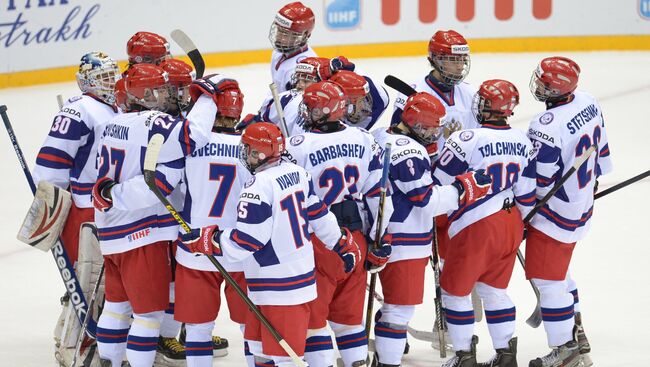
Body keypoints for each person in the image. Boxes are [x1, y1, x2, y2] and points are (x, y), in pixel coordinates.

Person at [181, 122, 362, 367]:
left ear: (258, 154)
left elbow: (248, 240)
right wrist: (341, 243)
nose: (244, 155)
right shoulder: (297, 173)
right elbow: (319, 214)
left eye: (247, 150)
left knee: (285, 359)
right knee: (261, 351)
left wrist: (209, 240)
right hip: (293, 280)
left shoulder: (257, 187)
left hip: (277, 287)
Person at [90, 66, 221, 367]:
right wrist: (207, 97)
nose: (166, 95)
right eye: (159, 90)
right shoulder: (151, 121)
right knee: (148, 315)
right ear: (144, 95)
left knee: (116, 306)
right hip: (140, 233)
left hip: (111, 232)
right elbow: (193, 135)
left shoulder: (114, 122)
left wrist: (110, 197)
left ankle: (109, 360)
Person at [371, 92, 492, 367]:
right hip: (406, 239)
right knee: (399, 309)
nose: (436, 133)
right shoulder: (411, 151)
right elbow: (426, 200)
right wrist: (464, 188)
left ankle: (386, 352)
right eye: (431, 127)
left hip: (380, 234)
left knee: (393, 304)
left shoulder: (380, 136)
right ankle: (387, 362)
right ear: (415, 123)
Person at [284, 81, 393, 366]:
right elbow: (379, 196)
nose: (305, 112)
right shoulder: (363, 138)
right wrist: (380, 239)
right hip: (355, 236)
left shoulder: (298, 144)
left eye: (311, 107)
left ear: (327, 110)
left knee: (314, 321)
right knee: (348, 319)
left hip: (318, 239)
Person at [432, 79, 537, 367]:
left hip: (475, 225)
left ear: (485, 106)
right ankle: (505, 355)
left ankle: (464, 355)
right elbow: (527, 194)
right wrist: (519, 227)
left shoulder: (467, 139)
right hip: (510, 221)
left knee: (454, 292)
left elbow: (438, 183)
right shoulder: (522, 140)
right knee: (494, 291)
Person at [32, 51, 120, 367]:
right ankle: (73, 346)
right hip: (84, 210)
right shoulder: (79, 111)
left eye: (113, 75)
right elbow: (51, 163)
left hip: (107, 207)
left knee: (103, 282)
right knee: (87, 281)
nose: (110, 82)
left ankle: (68, 332)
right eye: (102, 78)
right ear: (86, 81)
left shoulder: (116, 106)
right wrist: (51, 206)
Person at [526, 57, 612, 367]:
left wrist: (522, 212)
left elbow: (540, 179)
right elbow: (601, 147)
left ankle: (565, 349)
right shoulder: (588, 101)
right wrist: (593, 183)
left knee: (547, 280)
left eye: (544, 82)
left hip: (554, 213)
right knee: (559, 273)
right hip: (581, 204)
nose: (538, 85)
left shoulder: (545, 125)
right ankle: (576, 330)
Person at [170, 78, 254, 367]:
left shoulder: (190, 146)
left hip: (195, 248)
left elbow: (174, 190)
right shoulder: (251, 149)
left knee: (198, 330)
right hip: (238, 249)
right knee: (250, 328)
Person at [269, 1, 317, 93]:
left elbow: (296, 105)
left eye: (286, 34)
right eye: (279, 30)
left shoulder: (303, 69)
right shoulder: (278, 52)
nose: (279, 37)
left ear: (304, 35)